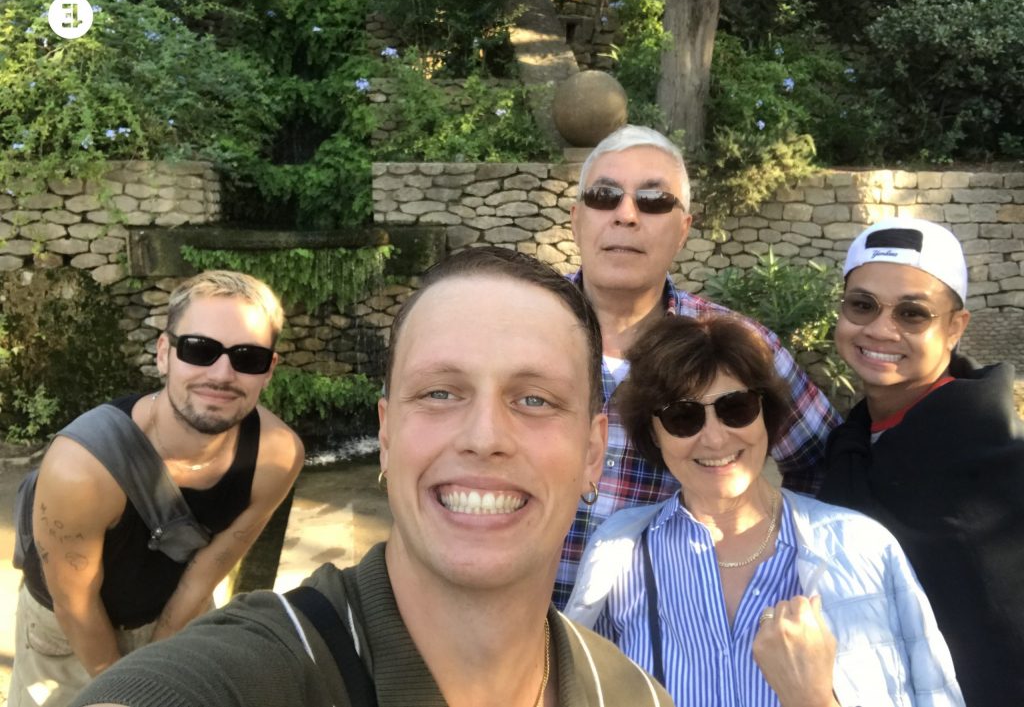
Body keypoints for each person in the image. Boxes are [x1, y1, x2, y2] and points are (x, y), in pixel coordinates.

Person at [71, 247, 673, 707]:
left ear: (594, 452)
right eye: (439, 392)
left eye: (535, 399)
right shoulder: (258, 672)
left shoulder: (630, 694)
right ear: (385, 435)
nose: (485, 437)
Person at [565, 313, 963, 706]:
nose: (715, 438)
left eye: (735, 407)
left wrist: (813, 700)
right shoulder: (618, 555)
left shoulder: (864, 548)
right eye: (681, 417)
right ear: (653, 433)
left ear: (765, 415)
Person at [556, 124, 840, 606]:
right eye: (605, 195)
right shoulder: (516, 329)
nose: (626, 215)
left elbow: (827, 471)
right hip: (513, 637)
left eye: (654, 200)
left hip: (663, 648)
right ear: (577, 218)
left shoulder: (738, 348)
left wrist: (748, 561)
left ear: (684, 229)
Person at [9, 270, 306, 707]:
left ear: (269, 371)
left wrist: (163, 648)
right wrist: (125, 689)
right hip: (69, 633)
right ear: (164, 354)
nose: (222, 374)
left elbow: (212, 564)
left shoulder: (276, 457)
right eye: (200, 350)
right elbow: (75, 602)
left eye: (248, 357)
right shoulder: (83, 468)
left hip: (178, 614)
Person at [817, 216, 1024, 705]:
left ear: (955, 328)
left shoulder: (995, 465)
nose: (881, 329)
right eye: (862, 305)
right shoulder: (856, 440)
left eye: (913, 314)